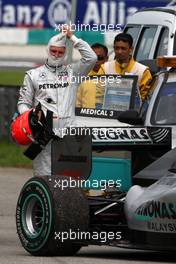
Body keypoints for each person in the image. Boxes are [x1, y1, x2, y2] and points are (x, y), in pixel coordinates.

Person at [17, 26, 97, 176]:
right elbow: (23, 103)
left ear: (65, 53)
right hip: (44, 135)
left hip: (69, 133)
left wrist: (72, 38)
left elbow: (91, 58)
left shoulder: (73, 73)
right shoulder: (33, 75)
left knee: (70, 177)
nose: (56, 55)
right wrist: (31, 118)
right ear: (48, 50)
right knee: (44, 177)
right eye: (53, 51)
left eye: (60, 52)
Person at [99, 33, 152, 104]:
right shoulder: (105, 68)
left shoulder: (142, 71)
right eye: (117, 48)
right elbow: (98, 95)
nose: (119, 52)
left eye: (123, 49)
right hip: (109, 113)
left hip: (133, 114)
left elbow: (144, 100)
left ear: (131, 49)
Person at [76, 43, 108, 108]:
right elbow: (77, 104)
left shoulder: (112, 75)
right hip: (85, 117)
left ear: (106, 58)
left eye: (99, 58)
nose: (96, 61)